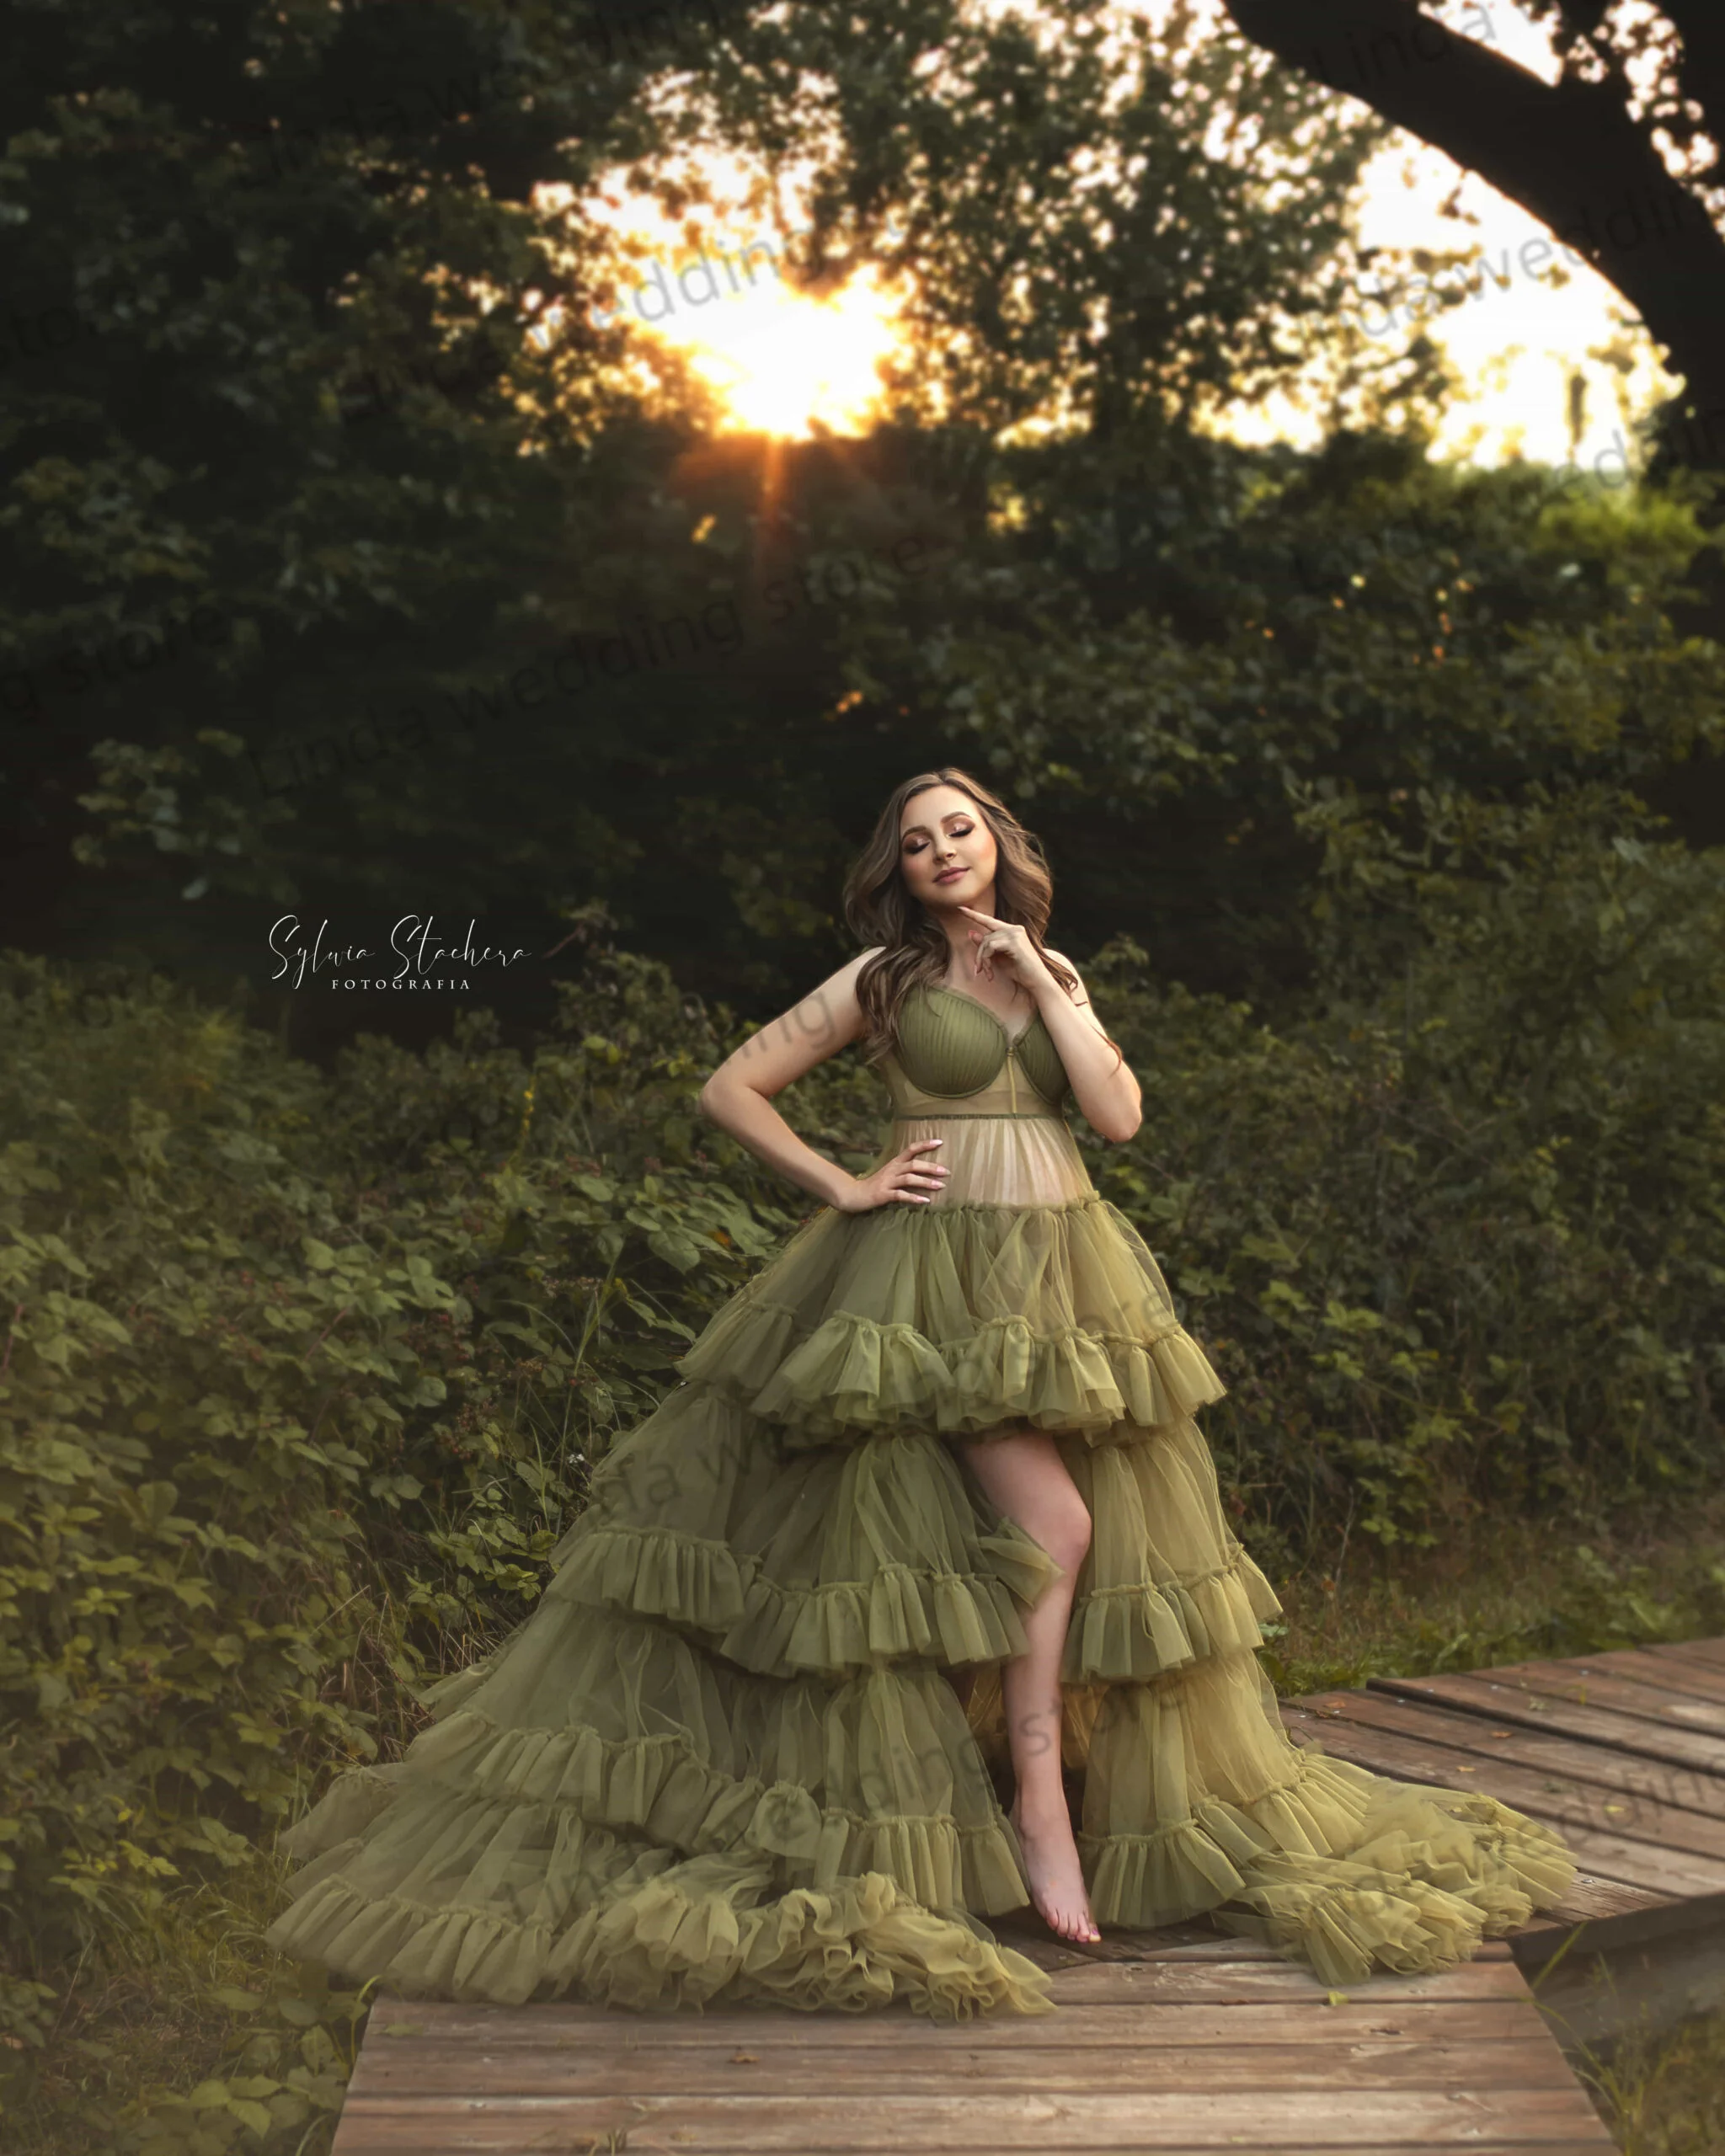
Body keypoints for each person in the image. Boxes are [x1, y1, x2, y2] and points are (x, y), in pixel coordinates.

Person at [264, 766, 1574, 2018]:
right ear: (896, 870)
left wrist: (1040, 978)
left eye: (959, 830)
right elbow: (730, 1087)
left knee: (1023, 1551)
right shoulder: (882, 982)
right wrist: (844, 1183)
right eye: (916, 840)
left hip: (1062, 1290)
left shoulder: (1052, 972)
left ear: (998, 843)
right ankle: (1039, 1807)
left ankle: (1022, 1799)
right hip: (924, 1293)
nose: (941, 851)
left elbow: (1117, 1118)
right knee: (1056, 1529)